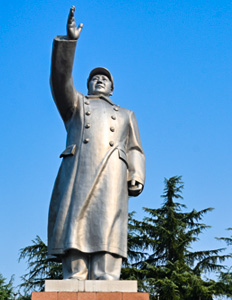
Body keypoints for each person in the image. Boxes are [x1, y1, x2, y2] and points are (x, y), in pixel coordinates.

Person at [48, 6, 145, 280]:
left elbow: (135, 148)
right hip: (80, 169)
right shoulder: (76, 105)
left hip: (112, 171)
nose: (99, 80)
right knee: (75, 220)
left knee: (109, 220)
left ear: (112, 88)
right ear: (88, 84)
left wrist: (136, 173)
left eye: (105, 79)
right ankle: (75, 272)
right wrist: (69, 43)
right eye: (95, 78)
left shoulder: (125, 114)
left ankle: (107, 274)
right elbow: (60, 81)